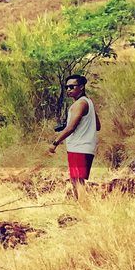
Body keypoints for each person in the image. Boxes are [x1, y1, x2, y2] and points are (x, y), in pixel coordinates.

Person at [47, 73, 100, 201]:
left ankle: (83, 209)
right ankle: (82, 208)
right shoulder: (88, 102)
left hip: (79, 148)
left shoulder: (80, 104)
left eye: (72, 87)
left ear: (81, 87)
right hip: (86, 148)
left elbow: (71, 128)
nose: (69, 90)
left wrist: (55, 143)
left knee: (77, 181)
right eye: (67, 87)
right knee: (77, 180)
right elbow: (97, 126)